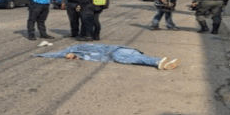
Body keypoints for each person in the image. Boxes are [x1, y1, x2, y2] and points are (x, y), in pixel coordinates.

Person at [35, 44, 180, 70]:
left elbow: (57, 54)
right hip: (121, 51)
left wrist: (39, 54)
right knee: (137, 58)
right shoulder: (81, 54)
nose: (72, 58)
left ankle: (157, 62)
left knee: (136, 59)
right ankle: (164, 64)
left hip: (116, 53)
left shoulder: (77, 49)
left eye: (70, 56)